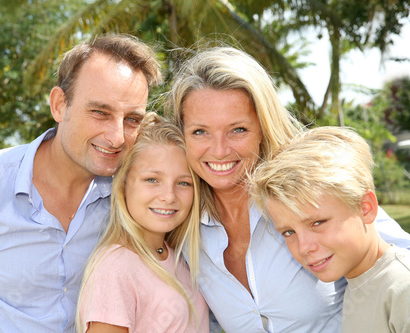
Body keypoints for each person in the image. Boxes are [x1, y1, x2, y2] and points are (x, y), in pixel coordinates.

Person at [0, 34, 162, 332]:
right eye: (100, 112)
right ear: (59, 105)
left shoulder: (131, 201)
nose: (118, 136)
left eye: (132, 119)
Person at [167, 46, 410, 333]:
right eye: (200, 131)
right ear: (182, 135)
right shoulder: (178, 222)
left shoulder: (309, 189)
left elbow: (394, 263)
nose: (219, 150)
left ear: (262, 128)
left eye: (238, 130)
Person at [250, 126, 410, 333]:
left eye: (318, 222)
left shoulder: (402, 287)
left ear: (366, 207)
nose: (304, 247)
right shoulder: (359, 282)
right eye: (289, 232)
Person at [76, 113, 209, 333]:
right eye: (152, 180)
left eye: (183, 183)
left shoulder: (175, 255)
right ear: (124, 184)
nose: (169, 196)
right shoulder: (116, 267)